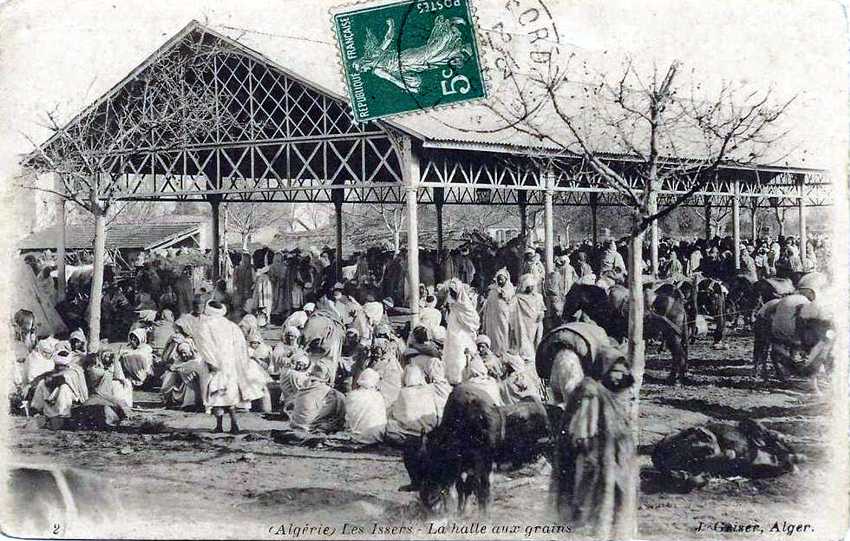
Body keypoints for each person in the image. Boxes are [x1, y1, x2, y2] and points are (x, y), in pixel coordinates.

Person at [550, 349, 636, 539]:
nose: (618, 377)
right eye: (615, 371)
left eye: (622, 372)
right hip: (595, 461)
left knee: (617, 506)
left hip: (617, 462)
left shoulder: (620, 396)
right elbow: (580, 433)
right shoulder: (590, 392)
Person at [193, 301, 267, 433]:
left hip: (214, 364)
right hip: (230, 364)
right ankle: (234, 425)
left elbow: (204, 346)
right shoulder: (231, 325)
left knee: (216, 394)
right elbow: (240, 346)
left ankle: (220, 426)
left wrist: (211, 362)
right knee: (229, 394)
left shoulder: (204, 325)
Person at [385, 365, 440, 444]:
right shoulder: (429, 391)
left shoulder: (404, 392)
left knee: (390, 425)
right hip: (428, 431)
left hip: (409, 433)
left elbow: (397, 415)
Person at [442, 279, 480, 384]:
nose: (452, 293)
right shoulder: (451, 302)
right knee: (451, 353)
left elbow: (474, 319)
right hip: (452, 331)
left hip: (462, 334)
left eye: (454, 291)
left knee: (460, 355)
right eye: (451, 291)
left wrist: (466, 324)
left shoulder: (465, 304)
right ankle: (452, 378)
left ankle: (461, 377)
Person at [290, 363, 346, 433]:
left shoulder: (303, 387)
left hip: (296, 426)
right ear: (328, 376)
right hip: (311, 429)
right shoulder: (331, 392)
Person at [344, 368, 387, 444]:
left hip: (355, 436)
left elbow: (348, 418)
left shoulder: (352, 395)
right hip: (376, 437)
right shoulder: (378, 396)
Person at [510, 273, 545, 360]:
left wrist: (541, 314)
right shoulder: (518, 298)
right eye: (528, 286)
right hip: (523, 323)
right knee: (524, 339)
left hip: (535, 323)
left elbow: (542, 308)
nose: (531, 288)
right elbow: (511, 310)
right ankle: (526, 356)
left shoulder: (538, 297)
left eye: (532, 286)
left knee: (536, 339)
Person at [481, 268, 515, 356]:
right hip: (492, 315)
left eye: (502, 278)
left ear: (506, 279)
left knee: (502, 332)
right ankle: (493, 350)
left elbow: (511, 300)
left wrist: (503, 294)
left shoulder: (509, 288)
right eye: (498, 278)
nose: (500, 280)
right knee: (493, 332)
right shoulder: (493, 289)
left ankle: (502, 351)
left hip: (503, 315)